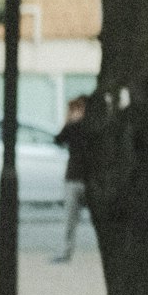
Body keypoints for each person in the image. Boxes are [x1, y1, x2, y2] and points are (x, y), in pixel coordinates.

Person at [53, 95, 89, 262]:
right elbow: (58, 139)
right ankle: (67, 251)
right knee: (70, 219)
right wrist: (69, 121)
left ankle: (67, 252)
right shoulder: (73, 127)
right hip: (75, 177)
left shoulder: (90, 127)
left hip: (85, 178)